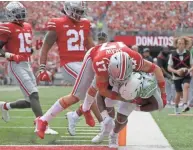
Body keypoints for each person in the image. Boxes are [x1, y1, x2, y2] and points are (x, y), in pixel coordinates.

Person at [35, 42, 166, 140]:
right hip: (94, 56)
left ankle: (81, 111)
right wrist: (125, 98)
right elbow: (101, 91)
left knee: (100, 90)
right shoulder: (101, 65)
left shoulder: (135, 59)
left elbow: (157, 69)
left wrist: (163, 94)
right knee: (78, 94)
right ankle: (44, 120)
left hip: (114, 59)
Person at [0, 2, 57, 134]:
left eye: (21, 11)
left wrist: (32, 49)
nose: (21, 14)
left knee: (30, 101)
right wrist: (9, 55)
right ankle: (42, 126)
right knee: (34, 95)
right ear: (10, 14)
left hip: (26, 64)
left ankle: (4, 106)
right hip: (15, 65)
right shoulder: (7, 27)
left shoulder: (27, 26)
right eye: (17, 12)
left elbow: (25, 50)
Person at [66, 31, 108, 136]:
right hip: (87, 74)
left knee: (92, 100)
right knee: (91, 98)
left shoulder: (104, 49)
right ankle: (102, 123)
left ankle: (74, 115)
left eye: (103, 39)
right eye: (100, 39)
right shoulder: (94, 49)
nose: (101, 41)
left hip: (97, 76)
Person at [168, 36, 193, 114]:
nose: (181, 45)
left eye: (182, 43)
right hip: (176, 75)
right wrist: (176, 71)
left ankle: (185, 104)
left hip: (186, 73)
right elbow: (168, 67)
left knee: (186, 86)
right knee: (178, 93)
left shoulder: (188, 53)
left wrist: (189, 70)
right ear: (177, 44)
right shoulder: (173, 54)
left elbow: (192, 65)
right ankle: (176, 107)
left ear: (185, 45)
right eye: (179, 43)